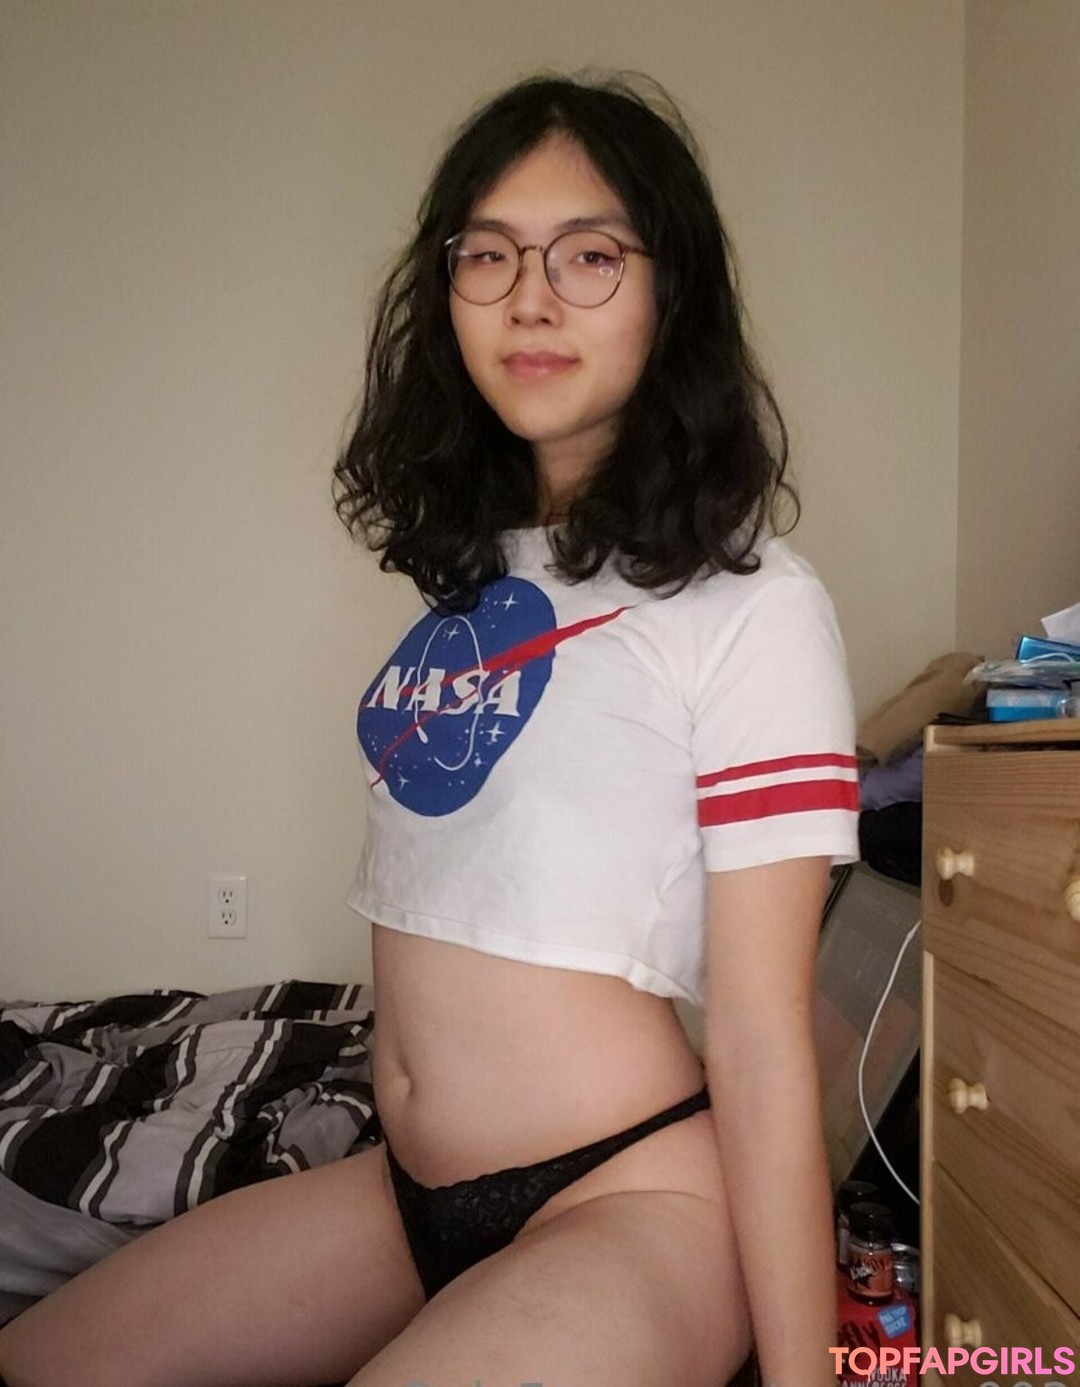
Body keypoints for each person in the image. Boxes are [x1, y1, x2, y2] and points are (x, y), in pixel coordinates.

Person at [0, 72, 858, 1387]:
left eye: (589, 255)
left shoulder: (751, 606)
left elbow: (759, 1037)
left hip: (628, 1196)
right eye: (489, 253)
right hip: (408, 1192)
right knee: (45, 1362)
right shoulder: (480, 573)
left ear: (671, 289)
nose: (531, 298)